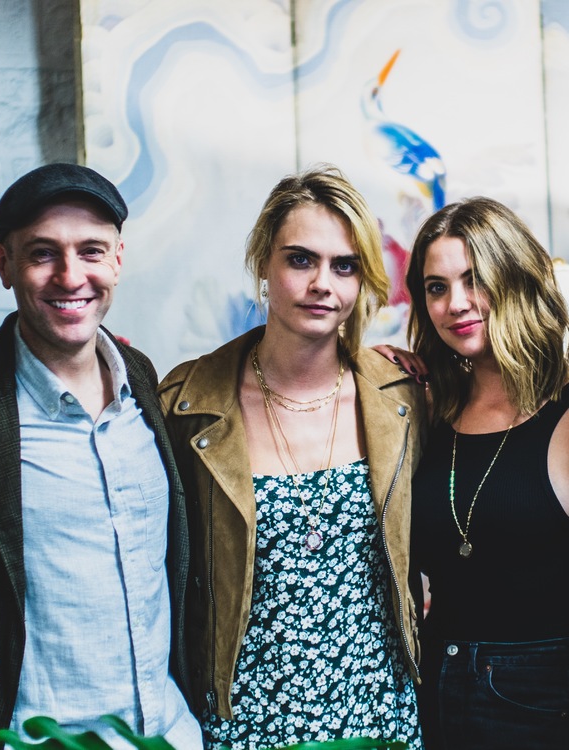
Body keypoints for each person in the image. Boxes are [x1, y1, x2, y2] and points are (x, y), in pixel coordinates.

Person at [158, 165, 425, 749]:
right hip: (245, 716)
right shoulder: (187, 404)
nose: (322, 283)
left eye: (345, 265)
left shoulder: (400, 398)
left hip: (378, 713)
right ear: (264, 265)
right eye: (300, 259)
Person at [0, 164, 202, 750]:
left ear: (118, 260)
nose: (70, 276)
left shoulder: (145, 382)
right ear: (4, 265)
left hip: (168, 735)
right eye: (43, 254)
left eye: (91, 251)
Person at [378, 196, 569, 750]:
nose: (456, 303)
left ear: (515, 278)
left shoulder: (561, 411)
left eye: (474, 279)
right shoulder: (427, 406)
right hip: (433, 686)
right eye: (436, 287)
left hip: (541, 702)